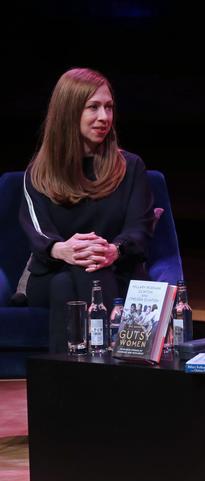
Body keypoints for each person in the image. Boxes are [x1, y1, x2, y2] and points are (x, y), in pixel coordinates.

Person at [20, 67, 155, 353]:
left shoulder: (130, 167)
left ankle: (65, 386)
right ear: (68, 112)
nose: (104, 117)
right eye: (92, 108)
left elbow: (139, 229)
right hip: (51, 269)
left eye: (108, 107)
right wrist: (64, 250)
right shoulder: (39, 173)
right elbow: (38, 233)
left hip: (115, 270)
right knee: (78, 274)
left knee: (68, 284)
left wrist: (113, 251)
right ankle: (110, 370)